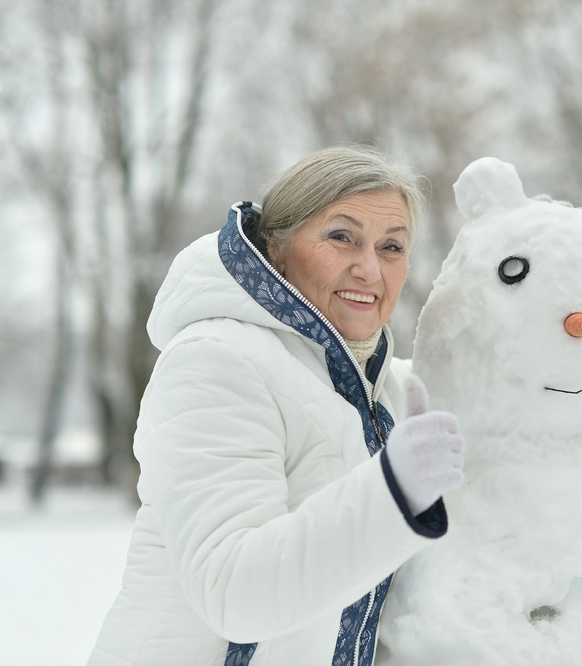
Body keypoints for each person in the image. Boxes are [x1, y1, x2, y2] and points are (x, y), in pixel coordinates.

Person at [88, 145, 465, 666]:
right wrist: (392, 491)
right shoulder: (216, 361)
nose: (369, 269)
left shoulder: (384, 392)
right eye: (342, 237)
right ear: (277, 247)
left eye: (392, 247)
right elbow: (233, 590)